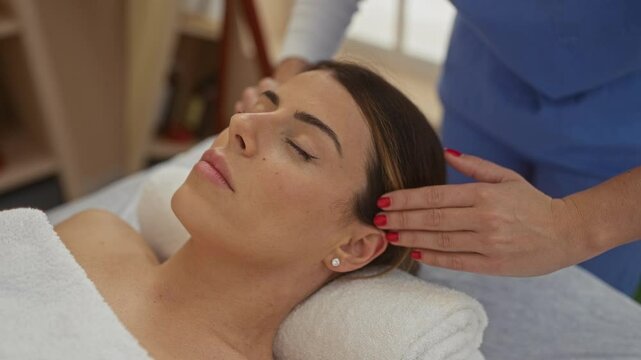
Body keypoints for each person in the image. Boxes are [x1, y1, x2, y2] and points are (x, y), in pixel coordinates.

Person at [236, 0, 641, 297]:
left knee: (570, 312)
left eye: (302, 149)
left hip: (622, 137)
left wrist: (573, 227)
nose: (240, 127)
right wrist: (288, 83)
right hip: (484, 93)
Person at [54, 61, 446, 359]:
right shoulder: (90, 236)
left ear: (357, 246)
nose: (241, 123)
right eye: (262, 106)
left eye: (299, 148)